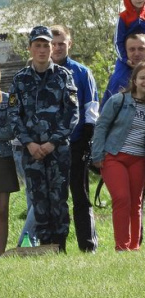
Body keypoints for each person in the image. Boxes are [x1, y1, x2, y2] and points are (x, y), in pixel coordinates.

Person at [8, 26, 80, 251]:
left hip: (57, 150)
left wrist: (51, 143)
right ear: (30, 48)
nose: (42, 50)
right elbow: (13, 114)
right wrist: (29, 142)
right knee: (38, 201)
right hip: (30, 151)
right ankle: (43, 249)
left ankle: (59, 247)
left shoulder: (64, 76)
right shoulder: (20, 80)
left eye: (46, 45)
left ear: (52, 48)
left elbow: (72, 113)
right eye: (37, 45)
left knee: (58, 200)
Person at [92, 62, 145, 251]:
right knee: (122, 198)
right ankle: (122, 246)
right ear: (134, 80)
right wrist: (97, 154)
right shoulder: (118, 100)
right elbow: (101, 126)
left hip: (140, 160)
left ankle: (134, 246)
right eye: (142, 77)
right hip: (114, 157)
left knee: (136, 202)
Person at [50, 25, 100, 251]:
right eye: (53, 43)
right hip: (49, 147)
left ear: (70, 44)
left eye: (62, 43)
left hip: (77, 144)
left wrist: (87, 138)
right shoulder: (39, 72)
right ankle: (55, 247)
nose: (57, 47)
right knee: (54, 200)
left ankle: (88, 246)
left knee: (81, 197)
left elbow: (92, 106)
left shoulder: (81, 72)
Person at [105, 0, 145, 106]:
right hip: (127, 57)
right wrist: (125, 59)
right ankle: (112, 108)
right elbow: (117, 41)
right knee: (117, 79)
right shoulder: (123, 17)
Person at [0, 72, 19, 255]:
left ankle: (1, 253)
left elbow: (13, 129)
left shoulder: (11, 99)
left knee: (3, 209)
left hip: (3, 159)